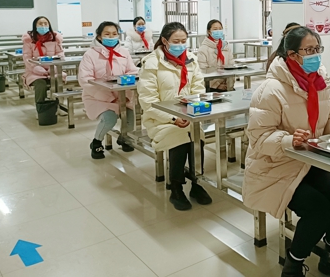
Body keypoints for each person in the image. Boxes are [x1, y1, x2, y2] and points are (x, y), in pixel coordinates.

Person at [243, 26, 330, 277]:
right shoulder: (270, 89)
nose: (315, 55)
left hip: (310, 160)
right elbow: (258, 137)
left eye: (317, 49)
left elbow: (329, 120)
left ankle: (328, 254)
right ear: (292, 55)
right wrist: (288, 140)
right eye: (309, 50)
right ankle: (293, 266)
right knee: (318, 210)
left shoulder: (321, 82)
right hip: (276, 165)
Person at [138, 22, 212, 210]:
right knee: (178, 137)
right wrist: (172, 118)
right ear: (165, 41)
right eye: (176, 41)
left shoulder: (191, 59)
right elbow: (148, 101)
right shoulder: (151, 63)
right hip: (159, 118)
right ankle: (176, 187)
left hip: (188, 115)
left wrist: (190, 112)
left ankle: (196, 182)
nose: (180, 45)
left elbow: (198, 89)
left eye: (183, 41)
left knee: (197, 137)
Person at [79, 21, 138, 159]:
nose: (111, 37)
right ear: (99, 36)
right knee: (109, 118)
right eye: (107, 34)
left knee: (130, 117)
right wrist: (108, 97)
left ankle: (124, 137)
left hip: (122, 95)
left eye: (114, 34)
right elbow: (85, 79)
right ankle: (96, 141)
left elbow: (132, 70)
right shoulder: (90, 54)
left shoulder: (124, 52)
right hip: (97, 96)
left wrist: (136, 76)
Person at [22, 16, 65, 116]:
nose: (43, 26)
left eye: (45, 23)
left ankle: (58, 106)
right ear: (35, 26)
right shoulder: (29, 41)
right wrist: (36, 68)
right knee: (40, 84)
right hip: (34, 72)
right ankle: (41, 109)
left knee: (57, 80)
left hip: (53, 70)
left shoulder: (55, 39)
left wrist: (54, 67)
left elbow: (60, 54)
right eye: (40, 24)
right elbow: (27, 58)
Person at [196, 19, 234, 91]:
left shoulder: (226, 46)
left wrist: (228, 84)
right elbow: (202, 71)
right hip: (211, 87)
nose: (218, 31)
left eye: (220, 29)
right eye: (215, 29)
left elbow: (231, 65)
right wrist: (217, 85)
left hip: (227, 85)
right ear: (209, 31)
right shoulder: (203, 49)